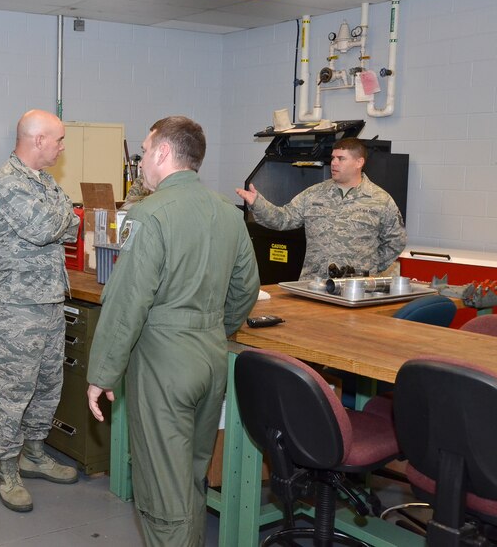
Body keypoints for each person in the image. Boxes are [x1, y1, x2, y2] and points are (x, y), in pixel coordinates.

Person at [87, 116, 259, 546]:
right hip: (210, 358)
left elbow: (128, 300)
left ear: (163, 152)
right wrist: (213, 330)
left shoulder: (149, 213)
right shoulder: (227, 212)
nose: (142, 159)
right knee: (191, 479)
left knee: (164, 497)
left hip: (163, 365)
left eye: (145, 150)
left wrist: (102, 373)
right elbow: (246, 287)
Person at [0, 109, 81, 512]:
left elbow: (71, 226)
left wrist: (62, 217)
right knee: (13, 392)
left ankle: (34, 452)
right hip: (16, 307)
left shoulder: (43, 182)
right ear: (38, 140)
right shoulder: (8, 183)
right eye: (58, 140)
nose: (61, 148)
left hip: (50, 301)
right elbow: (48, 228)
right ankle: (6, 468)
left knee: (47, 385)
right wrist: (63, 215)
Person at [236, 137, 407, 280]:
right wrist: (257, 203)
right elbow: (283, 219)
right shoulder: (315, 194)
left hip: (357, 289)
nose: (334, 163)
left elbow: (395, 241)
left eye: (341, 158)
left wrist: (370, 267)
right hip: (315, 284)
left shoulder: (380, 200)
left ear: (359, 162)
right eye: (332, 158)